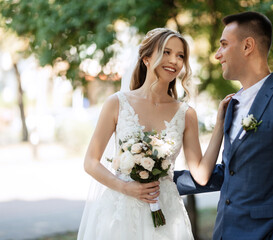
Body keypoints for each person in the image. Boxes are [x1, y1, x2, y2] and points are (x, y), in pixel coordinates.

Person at [174, 11, 273, 239]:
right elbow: (232, 172)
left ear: (247, 46)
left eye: (224, 45)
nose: (217, 55)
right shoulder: (231, 105)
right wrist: (168, 181)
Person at [77, 28, 232, 240]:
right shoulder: (117, 103)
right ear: (146, 58)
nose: (174, 61)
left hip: (167, 214)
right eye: (166, 52)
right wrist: (126, 187)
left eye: (180, 56)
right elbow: (90, 163)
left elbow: (201, 174)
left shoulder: (186, 114)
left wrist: (220, 124)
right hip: (119, 213)